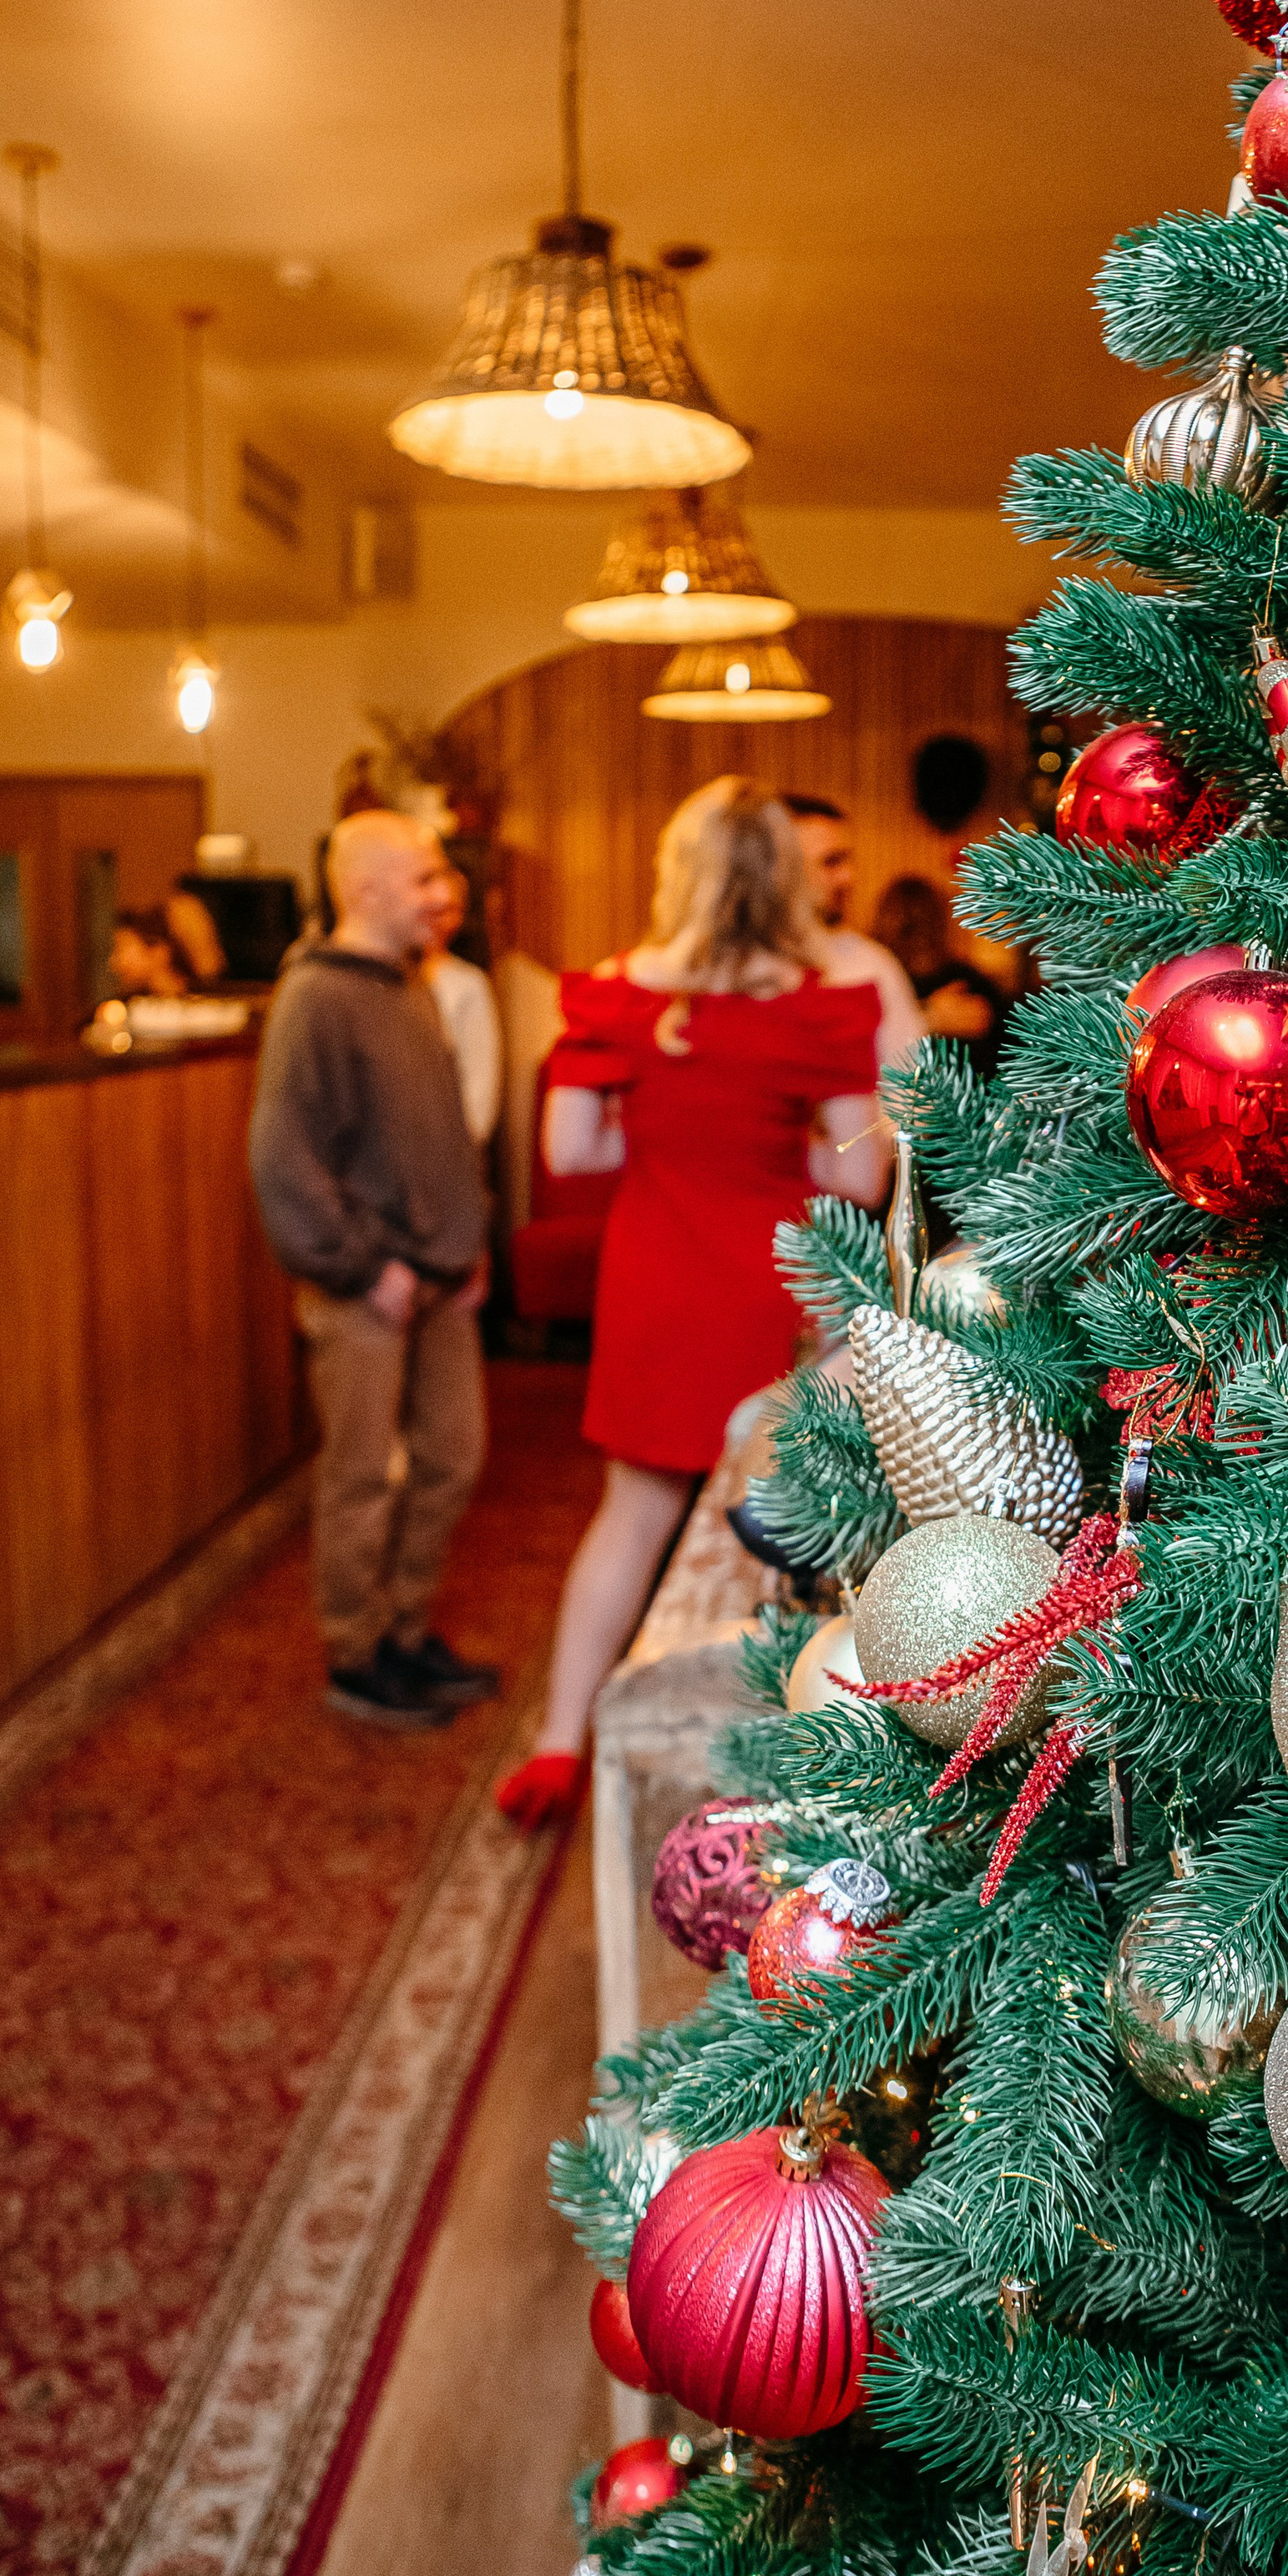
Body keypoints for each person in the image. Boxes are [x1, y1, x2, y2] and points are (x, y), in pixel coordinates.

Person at [495, 780, 890, 1826]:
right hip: (775, 1285)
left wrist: (676, 1140)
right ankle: (784, 1766)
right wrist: (770, 1143)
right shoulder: (822, 1000)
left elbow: (570, 1149)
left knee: (630, 1518)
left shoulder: (615, 995)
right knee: (783, 1533)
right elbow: (859, 1178)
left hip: (659, 1279)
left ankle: (554, 1745)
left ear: (678, 871)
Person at [248, 810, 499, 1730]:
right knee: (363, 1476)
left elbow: (439, 1136)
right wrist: (363, 1267)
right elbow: (284, 1159)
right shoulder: (314, 996)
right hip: (368, 1289)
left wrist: (467, 1248)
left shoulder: (412, 984)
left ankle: (405, 1628)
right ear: (364, 891)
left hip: (437, 1281)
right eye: (425, 879)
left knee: (452, 1459)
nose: (446, 895)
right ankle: (356, 1655)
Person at [780, 793, 926, 1060]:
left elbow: (912, 1089)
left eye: (848, 861)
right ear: (781, 869)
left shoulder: (870, 966)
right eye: (831, 861)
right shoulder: (740, 967)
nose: (849, 878)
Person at [869, 873, 1008, 1067]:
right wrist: (931, 1018)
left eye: (925, 923)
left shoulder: (973, 985)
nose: (920, 937)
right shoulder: (878, 980)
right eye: (910, 926)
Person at [422, 861, 503, 1146]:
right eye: (434, 909)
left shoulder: (467, 984)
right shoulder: (377, 980)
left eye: (453, 910)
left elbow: (480, 1090)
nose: (444, 920)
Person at [107, 903, 202, 1002]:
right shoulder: (123, 1008)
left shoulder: (206, 1007)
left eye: (121, 948)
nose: (114, 963)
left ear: (158, 952)